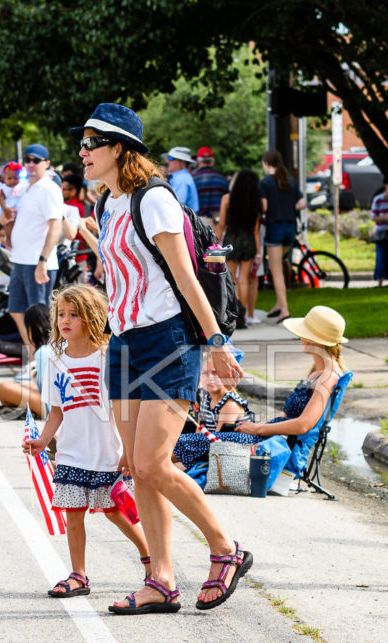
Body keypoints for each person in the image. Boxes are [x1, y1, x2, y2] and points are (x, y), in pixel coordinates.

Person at [70, 102, 247, 613]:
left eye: (91, 142)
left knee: (153, 462)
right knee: (138, 469)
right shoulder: (109, 203)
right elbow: (121, 271)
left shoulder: (155, 200)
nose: (82, 151)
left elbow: (186, 277)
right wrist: (88, 234)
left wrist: (215, 343)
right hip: (123, 342)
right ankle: (161, 580)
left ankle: (224, 549)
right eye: (81, 142)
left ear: (119, 148)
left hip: (168, 340)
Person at [23, 285, 151, 598]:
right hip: (70, 453)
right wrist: (43, 440)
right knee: (74, 514)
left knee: (114, 512)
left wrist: (128, 450)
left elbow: (120, 410)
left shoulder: (106, 358)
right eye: (61, 315)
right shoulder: (56, 361)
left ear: (91, 318)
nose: (65, 320)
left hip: (105, 452)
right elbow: (57, 411)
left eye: (74, 315)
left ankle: (151, 560)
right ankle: (78, 574)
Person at [173, 306, 346, 471]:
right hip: (272, 435)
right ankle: (159, 472)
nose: (300, 337)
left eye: (304, 333)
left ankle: (158, 471)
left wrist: (257, 429)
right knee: (196, 441)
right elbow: (288, 416)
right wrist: (256, 426)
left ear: (313, 338)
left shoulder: (328, 377)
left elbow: (303, 425)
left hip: (276, 441)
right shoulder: (319, 373)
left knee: (192, 442)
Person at [8, 144, 65, 359]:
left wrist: (43, 260)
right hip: (21, 259)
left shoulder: (49, 189)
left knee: (38, 314)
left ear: (46, 164)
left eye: (36, 160)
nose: (30, 164)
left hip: (37, 261)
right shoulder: (25, 188)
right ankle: (34, 357)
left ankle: (45, 362)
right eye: (28, 160)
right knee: (16, 310)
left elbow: (56, 226)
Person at [260, 149, 305, 323]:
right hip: (290, 228)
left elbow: (264, 207)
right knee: (277, 265)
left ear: (266, 163)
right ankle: (279, 304)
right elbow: (302, 203)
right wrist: (289, 207)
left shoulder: (265, 183)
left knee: (276, 269)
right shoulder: (290, 181)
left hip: (274, 228)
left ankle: (284, 309)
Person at [215, 170, 262, 324]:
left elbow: (222, 223)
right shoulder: (256, 201)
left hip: (232, 240)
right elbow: (256, 229)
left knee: (231, 279)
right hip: (249, 241)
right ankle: (247, 314)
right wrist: (259, 252)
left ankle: (235, 313)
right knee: (244, 280)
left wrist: (214, 241)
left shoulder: (227, 199)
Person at [0, 303, 52, 420]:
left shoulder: (43, 352)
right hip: (59, 402)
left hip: (51, 407)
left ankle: (30, 410)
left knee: (2, 388)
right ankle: (27, 410)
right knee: (23, 385)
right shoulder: (59, 345)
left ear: (30, 329)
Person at [191, 146, 229, 225]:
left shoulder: (192, 179)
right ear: (212, 161)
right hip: (218, 223)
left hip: (199, 223)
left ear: (198, 161)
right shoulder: (222, 179)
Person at [165, 146, 200, 212]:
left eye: (171, 158)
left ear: (182, 162)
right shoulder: (183, 177)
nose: (168, 161)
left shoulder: (181, 179)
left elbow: (175, 207)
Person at [369, 175, 388, 287]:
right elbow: (373, 217)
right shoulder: (378, 199)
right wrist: (384, 218)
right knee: (381, 257)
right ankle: (380, 281)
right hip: (381, 232)